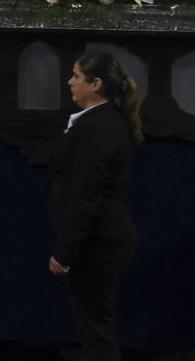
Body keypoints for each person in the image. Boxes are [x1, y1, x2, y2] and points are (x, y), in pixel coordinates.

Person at [49, 52, 142, 361]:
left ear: (96, 84)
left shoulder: (98, 127)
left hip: (98, 241)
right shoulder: (99, 122)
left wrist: (65, 250)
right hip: (98, 239)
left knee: (95, 328)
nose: (70, 81)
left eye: (76, 76)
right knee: (92, 325)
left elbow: (87, 193)